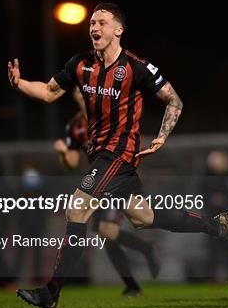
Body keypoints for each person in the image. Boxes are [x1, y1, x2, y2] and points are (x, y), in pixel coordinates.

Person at [8, 2, 228, 308]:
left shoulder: (136, 67)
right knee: (144, 219)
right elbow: (50, 92)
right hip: (102, 156)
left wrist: (161, 136)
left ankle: (51, 292)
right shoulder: (80, 64)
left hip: (118, 154)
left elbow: (174, 100)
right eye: (92, 22)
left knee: (76, 211)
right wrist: (20, 83)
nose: (95, 27)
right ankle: (216, 226)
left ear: (118, 30)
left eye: (102, 22)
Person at [54, 110, 160, 296]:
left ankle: (143, 254)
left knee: (107, 230)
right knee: (107, 237)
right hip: (96, 184)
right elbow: (72, 162)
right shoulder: (76, 126)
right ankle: (132, 284)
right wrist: (63, 153)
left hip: (117, 177)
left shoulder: (110, 110)